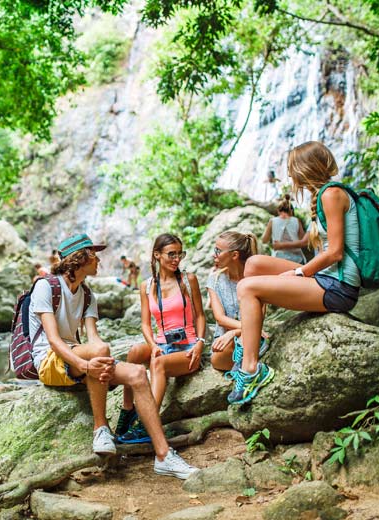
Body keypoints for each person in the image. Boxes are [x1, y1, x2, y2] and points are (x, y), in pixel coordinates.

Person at [30, 233, 197, 479]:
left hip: (77, 359)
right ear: (80, 258)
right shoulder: (46, 286)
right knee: (100, 353)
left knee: (138, 373)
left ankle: (164, 455)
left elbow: (94, 338)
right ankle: (101, 428)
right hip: (48, 360)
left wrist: (96, 363)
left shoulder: (87, 295)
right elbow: (53, 340)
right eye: (94, 256)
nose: (98, 261)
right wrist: (86, 365)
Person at [231, 141, 361, 405]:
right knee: (254, 264)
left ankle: (251, 370)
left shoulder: (331, 194)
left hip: (339, 288)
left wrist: (300, 273)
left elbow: (335, 252)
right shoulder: (326, 193)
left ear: (305, 168)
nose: (290, 176)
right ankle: (254, 340)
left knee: (246, 288)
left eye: (292, 169)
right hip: (327, 278)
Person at [117, 234, 207, 444]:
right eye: (171, 254)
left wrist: (200, 343)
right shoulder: (146, 286)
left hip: (188, 346)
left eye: (179, 254)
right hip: (162, 345)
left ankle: (148, 425)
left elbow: (201, 316)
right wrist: (153, 345)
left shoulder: (188, 279)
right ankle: (128, 410)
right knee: (135, 353)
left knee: (157, 363)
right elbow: (146, 324)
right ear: (157, 255)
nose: (177, 259)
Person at [207, 231, 269, 373]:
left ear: (234, 255)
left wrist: (235, 332)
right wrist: (237, 332)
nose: (213, 254)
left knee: (242, 343)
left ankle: (247, 367)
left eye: (218, 250)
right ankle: (247, 364)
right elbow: (220, 318)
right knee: (217, 358)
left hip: (250, 337)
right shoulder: (214, 280)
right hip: (224, 342)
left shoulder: (256, 279)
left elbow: (260, 316)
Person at [261, 194, 306, 264]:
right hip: (297, 259)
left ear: (278, 210)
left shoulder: (273, 221)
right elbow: (303, 240)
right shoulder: (296, 220)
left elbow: (264, 240)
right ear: (291, 211)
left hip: (279, 259)